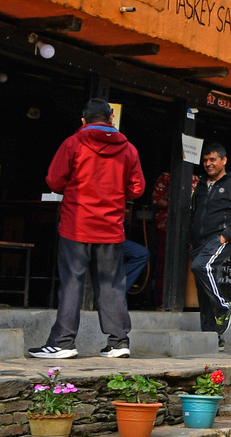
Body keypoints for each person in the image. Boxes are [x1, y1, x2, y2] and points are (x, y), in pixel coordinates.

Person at [30, 99, 145, 360]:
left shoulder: (73, 143)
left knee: (72, 283)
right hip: (111, 228)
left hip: (77, 225)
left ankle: (63, 342)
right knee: (112, 285)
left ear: (83, 121)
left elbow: (54, 181)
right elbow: (136, 189)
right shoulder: (128, 150)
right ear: (111, 118)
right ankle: (118, 342)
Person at [189, 142, 231, 349]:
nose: (208, 164)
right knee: (204, 288)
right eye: (205, 160)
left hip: (219, 238)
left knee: (201, 267)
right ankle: (213, 337)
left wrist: (225, 236)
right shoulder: (200, 185)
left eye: (213, 159)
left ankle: (224, 307)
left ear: (223, 161)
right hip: (199, 241)